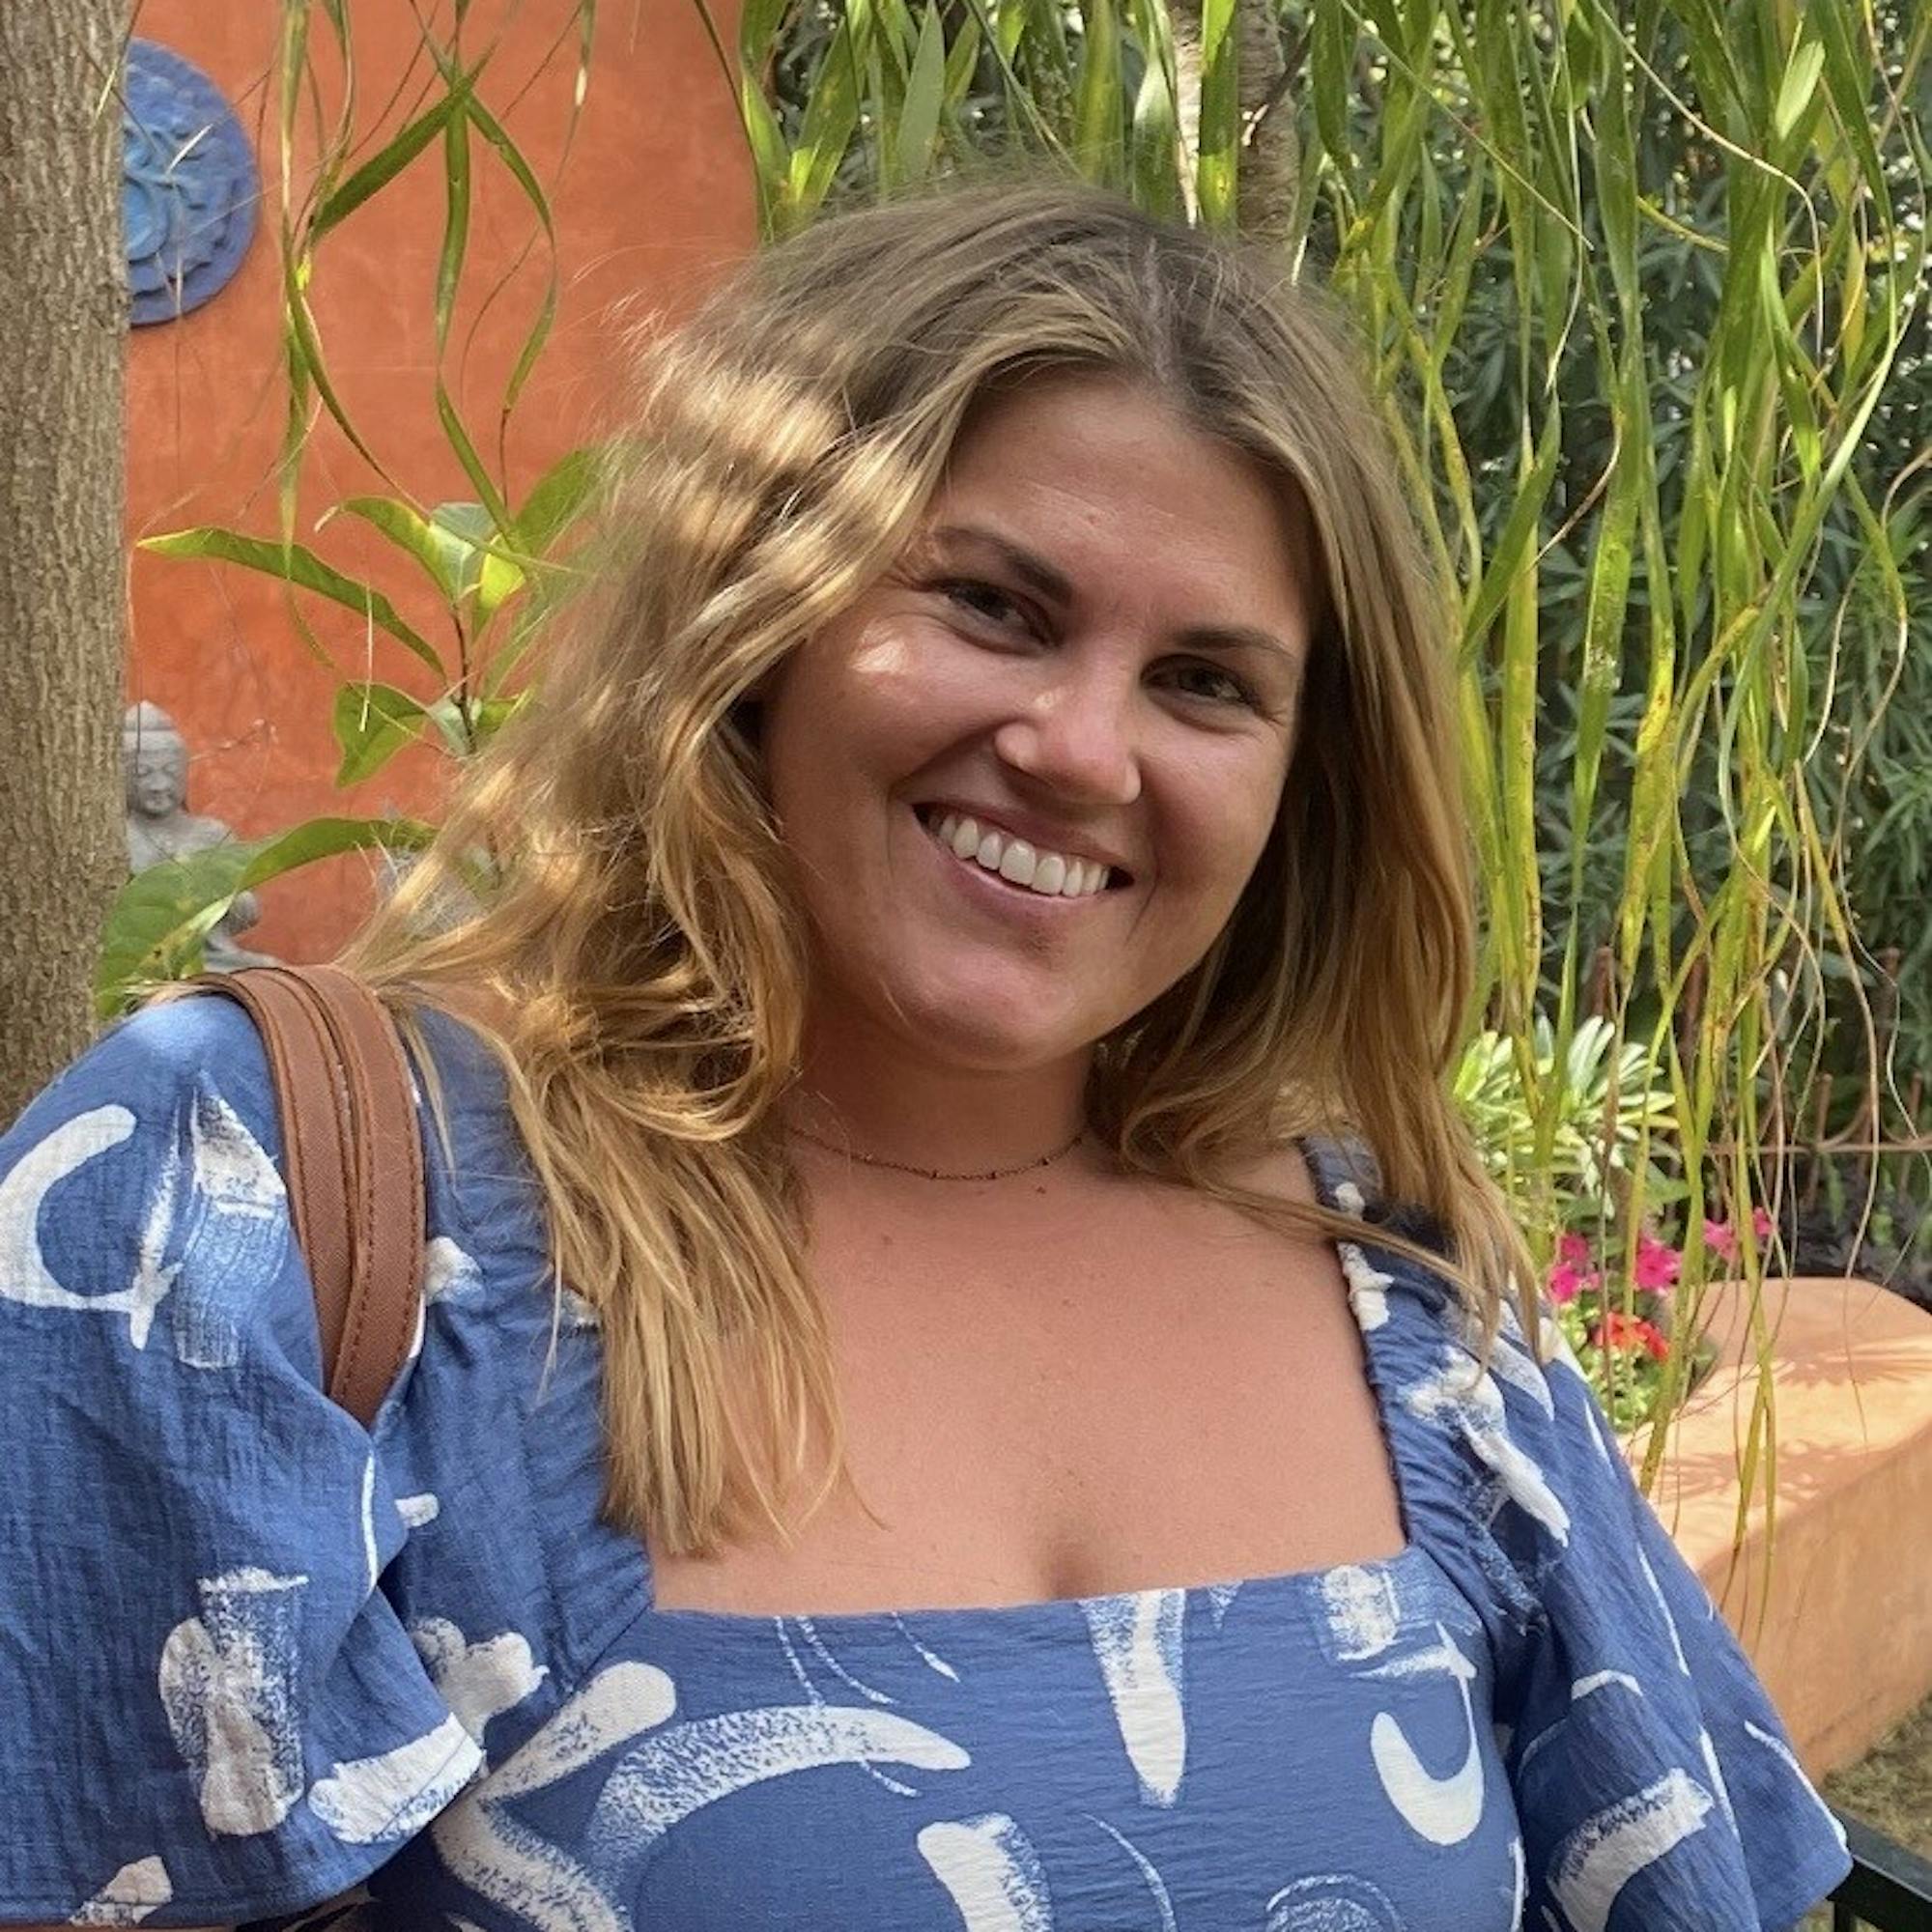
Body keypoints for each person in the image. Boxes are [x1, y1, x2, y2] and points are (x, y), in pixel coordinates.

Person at [0, 173, 1850, 1930]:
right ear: (756, 619)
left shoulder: (1411, 1304)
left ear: (1309, 780)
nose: (1079, 747)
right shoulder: (247, 1207)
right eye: (992, 605)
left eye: (1206, 682)